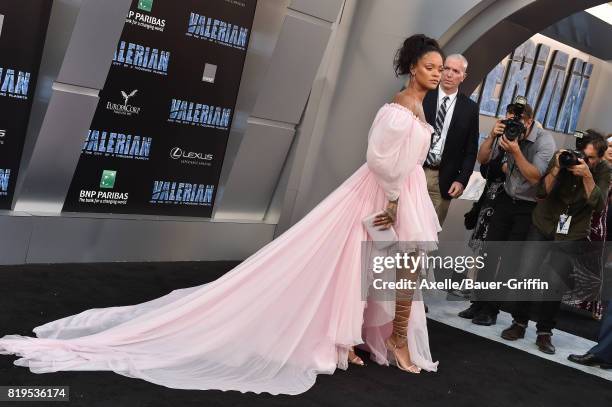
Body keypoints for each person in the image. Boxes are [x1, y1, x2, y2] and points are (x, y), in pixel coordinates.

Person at [0, 34, 443, 395]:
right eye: (430, 67)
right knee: (354, 263)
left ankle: (365, 338)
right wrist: (391, 198)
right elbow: (380, 158)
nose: (436, 74)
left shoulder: (423, 106)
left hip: (402, 194)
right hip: (382, 195)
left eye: (440, 69)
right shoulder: (399, 108)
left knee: (388, 265)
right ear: (411, 68)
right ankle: (344, 340)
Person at [500, 130, 610, 354]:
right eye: (582, 154)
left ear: (598, 158)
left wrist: (587, 175)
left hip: (573, 231)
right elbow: (542, 191)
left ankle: (544, 332)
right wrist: (557, 168)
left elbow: (598, 205)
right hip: (544, 222)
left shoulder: (603, 171)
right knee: (526, 274)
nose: (582, 160)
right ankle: (519, 323)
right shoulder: (562, 157)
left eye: (589, 158)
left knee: (554, 282)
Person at [458, 101, 555, 325]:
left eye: (517, 122)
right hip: (505, 199)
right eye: (509, 119)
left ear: (529, 122)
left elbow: (534, 177)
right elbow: (482, 159)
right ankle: (478, 303)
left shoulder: (544, 141)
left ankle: (492, 310)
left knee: (509, 259)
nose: (513, 125)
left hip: (528, 207)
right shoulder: (505, 133)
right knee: (489, 252)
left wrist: (516, 151)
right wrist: (492, 137)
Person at [422, 54, 479, 226]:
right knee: (402, 231)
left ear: (463, 76)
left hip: (444, 180)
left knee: (426, 238)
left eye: (455, 71)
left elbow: (471, 149)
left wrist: (462, 180)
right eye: (446, 68)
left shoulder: (469, 108)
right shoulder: (424, 96)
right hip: (416, 172)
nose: (448, 74)